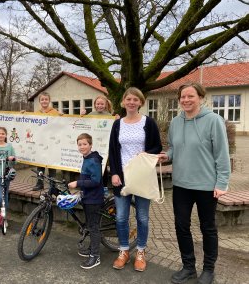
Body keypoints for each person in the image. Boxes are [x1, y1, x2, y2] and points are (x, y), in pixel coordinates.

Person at [158, 82, 230, 284]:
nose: (186, 100)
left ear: (201, 97)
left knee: (208, 227)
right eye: (183, 97)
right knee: (181, 226)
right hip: (181, 184)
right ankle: (188, 266)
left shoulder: (214, 121)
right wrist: (166, 156)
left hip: (207, 186)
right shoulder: (175, 122)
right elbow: (173, 148)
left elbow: (222, 155)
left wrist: (222, 183)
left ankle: (208, 269)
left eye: (191, 96)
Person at [109, 87, 162, 272]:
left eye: (135, 99)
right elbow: (113, 151)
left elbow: (157, 147)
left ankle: (140, 251)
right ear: (123, 102)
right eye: (128, 99)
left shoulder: (149, 123)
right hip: (121, 177)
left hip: (142, 176)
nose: (131, 102)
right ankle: (123, 250)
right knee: (121, 217)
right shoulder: (117, 125)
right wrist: (114, 173)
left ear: (141, 102)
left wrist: (147, 153)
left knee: (142, 217)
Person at [68, 133, 104, 269]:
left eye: (84, 144)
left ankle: (95, 256)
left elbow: (95, 181)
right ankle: (91, 249)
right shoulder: (87, 157)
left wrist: (77, 183)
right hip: (88, 196)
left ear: (90, 145)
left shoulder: (93, 160)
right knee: (90, 224)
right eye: (79, 144)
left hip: (94, 198)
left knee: (94, 227)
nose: (82, 146)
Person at [27, 92, 60, 190]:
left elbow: (62, 124)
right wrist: (23, 114)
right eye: (42, 99)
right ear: (39, 101)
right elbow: (30, 123)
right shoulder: (36, 113)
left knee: (51, 165)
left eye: (46, 99)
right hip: (40, 143)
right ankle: (39, 184)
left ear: (49, 101)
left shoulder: (55, 112)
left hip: (51, 143)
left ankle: (52, 186)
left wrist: (62, 116)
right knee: (40, 165)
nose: (44, 101)